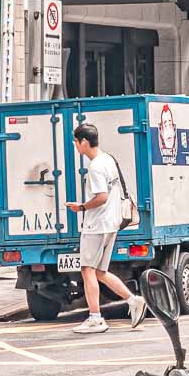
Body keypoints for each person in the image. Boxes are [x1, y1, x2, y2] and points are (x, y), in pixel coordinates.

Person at [65, 124, 146, 335]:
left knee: (87, 270)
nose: (74, 145)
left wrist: (80, 207)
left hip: (97, 225)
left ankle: (95, 318)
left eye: (75, 141)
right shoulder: (108, 159)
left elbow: (101, 197)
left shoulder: (95, 167)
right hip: (111, 223)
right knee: (100, 272)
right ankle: (134, 300)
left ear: (84, 142)